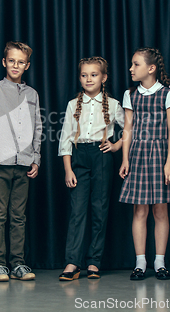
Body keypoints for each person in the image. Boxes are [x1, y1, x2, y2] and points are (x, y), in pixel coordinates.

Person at [0, 42, 42, 281]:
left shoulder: (32, 94)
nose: (15, 65)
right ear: (4, 62)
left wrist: (36, 158)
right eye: (11, 60)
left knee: (18, 216)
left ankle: (18, 264)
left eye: (20, 62)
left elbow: (37, 127)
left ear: (27, 65)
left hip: (23, 163)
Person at [119, 48, 170, 281]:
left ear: (151, 68)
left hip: (160, 155)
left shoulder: (168, 94)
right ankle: (140, 262)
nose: (131, 69)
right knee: (139, 210)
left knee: (160, 210)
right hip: (138, 154)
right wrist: (125, 159)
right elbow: (127, 130)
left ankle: (160, 262)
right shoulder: (130, 94)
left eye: (135, 64)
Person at [58, 57, 124, 281]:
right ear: (79, 78)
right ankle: (72, 262)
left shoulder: (114, 105)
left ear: (103, 78)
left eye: (94, 75)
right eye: (84, 75)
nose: (88, 79)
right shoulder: (72, 104)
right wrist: (68, 169)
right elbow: (65, 138)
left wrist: (116, 145)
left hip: (102, 156)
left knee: (99, 209)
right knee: (77, 212)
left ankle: (94, 262)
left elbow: (130, 129)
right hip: (79, 156)